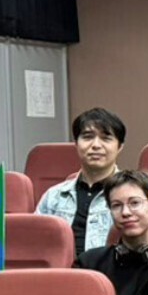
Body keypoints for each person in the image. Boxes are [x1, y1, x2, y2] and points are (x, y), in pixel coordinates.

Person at [37, 107, 125, 255]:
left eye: (106, 138)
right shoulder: (54, 196)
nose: (96, 145)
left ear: (119, 147)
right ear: (76, 144)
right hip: (61, 275)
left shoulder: (134, 195)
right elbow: (34, 242)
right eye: (88, 137)